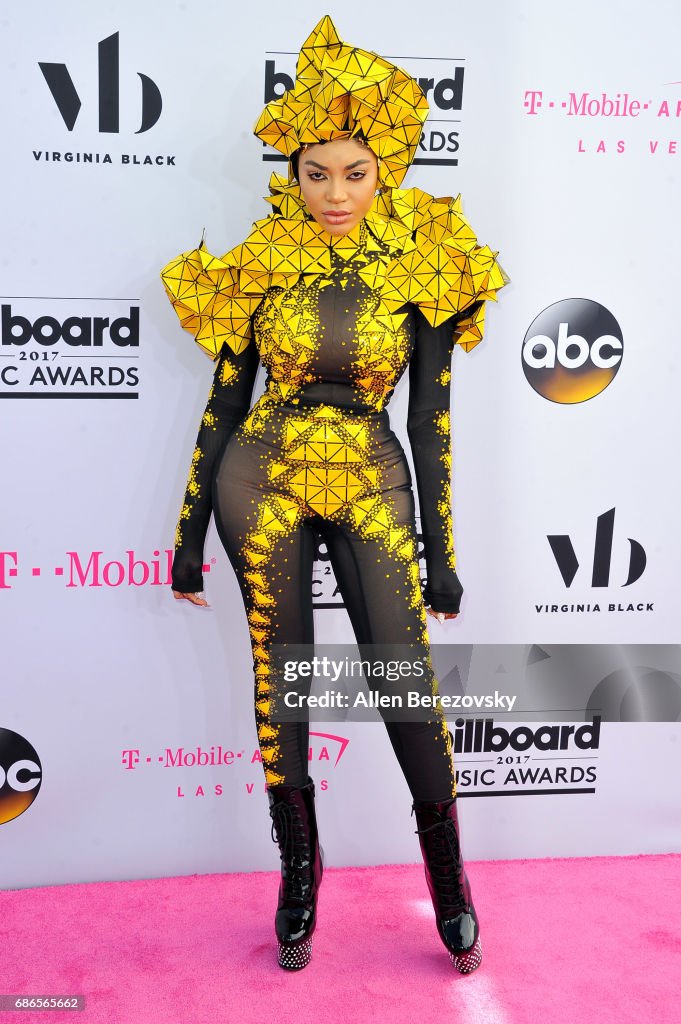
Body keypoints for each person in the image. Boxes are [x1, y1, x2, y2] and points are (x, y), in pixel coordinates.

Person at [160, 15, 507, 974]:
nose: (336, 193)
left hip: (373, 479)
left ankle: (450, 883)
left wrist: (441, 554)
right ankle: (298, 877)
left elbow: (431, 421)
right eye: (317, 172)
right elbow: (225, 402)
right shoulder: (259, 259)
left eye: (353, 171)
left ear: (384, 166)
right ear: (294, 171)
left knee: (403, 681)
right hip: (257, 477)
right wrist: (187, 533)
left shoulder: (428, 259)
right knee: (285, 686)